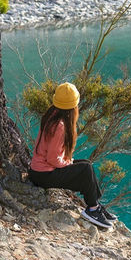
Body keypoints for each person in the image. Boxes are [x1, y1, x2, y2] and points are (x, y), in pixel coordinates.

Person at [28, 82, 117, 230]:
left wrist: (67, 161)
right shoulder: (60, 126)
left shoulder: (51, 115)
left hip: (38, 171)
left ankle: (96, 204)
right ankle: (93, 210)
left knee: (86, 164)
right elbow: (52, 159)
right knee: (85, 169)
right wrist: (67, 163)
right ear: (73, 106)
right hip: (43, 175)